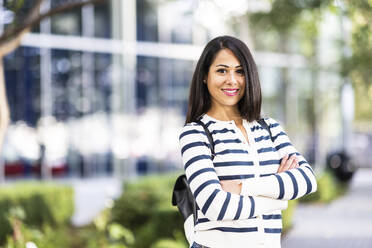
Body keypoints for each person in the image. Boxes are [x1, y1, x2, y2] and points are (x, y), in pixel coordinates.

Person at [179, 36, 317, 248]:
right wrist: (277, 199)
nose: (232, 80)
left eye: (240, 71)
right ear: (205, 76)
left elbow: (307, 180)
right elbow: (216, 206)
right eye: (222, 70)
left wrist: (242, 187)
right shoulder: (196, 134)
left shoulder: (269, 128)